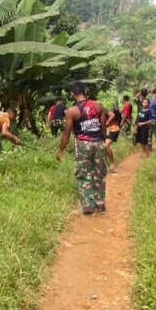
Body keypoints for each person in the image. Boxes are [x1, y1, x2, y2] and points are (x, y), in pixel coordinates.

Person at [56, 82, 108, 215]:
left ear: (72, 94)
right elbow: (103, 127)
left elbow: (66, 133)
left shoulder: (72, 111)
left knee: (85, 176)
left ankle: (89, 209)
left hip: (83, 144)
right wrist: (103, 143)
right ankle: (100, 206)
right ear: (85, 91)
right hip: (99, 143)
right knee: (99, 174)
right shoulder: (98, 105)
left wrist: (61, 150)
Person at [105, 104, 122, 171]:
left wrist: (107, 124)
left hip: (113, 129)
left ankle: (112, 163)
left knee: (106, 146)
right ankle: (104, 164)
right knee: (103, 147)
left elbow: (112, 115)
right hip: (106, 130)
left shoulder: (102, 109)